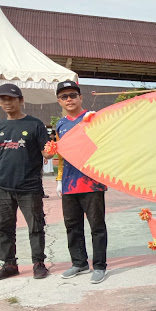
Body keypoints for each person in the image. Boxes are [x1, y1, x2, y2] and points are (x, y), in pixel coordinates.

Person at [55, 81, 109, 284]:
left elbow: (104, 145)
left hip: (92, 183)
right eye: (64, 96)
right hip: (69, 184)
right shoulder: (60, 124)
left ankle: (100, 266)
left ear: (80, 97)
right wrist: (59, 179)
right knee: (72, 226)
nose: (69, 99)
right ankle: (79, 262)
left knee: (97, 226)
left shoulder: (93, 118)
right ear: (59, 101)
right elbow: (61, 155)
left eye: (72, 95)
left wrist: (95, 123)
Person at [0, 84, 54, 280]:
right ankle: (9, 264)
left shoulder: (35, 125)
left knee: (35, 226)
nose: (7, 102)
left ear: (21, 101)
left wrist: (51, 151)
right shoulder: (0, 126)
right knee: (4, 227)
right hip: (3, 187)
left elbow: (46, 151)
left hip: (29, 187)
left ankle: (38, 262)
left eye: (11, 99)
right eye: (3, 99)